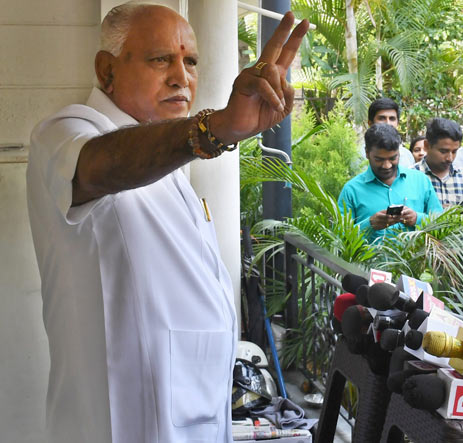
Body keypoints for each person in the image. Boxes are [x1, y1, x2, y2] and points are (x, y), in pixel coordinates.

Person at [25, 4, 308, 442]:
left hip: (191, 414)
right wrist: (214, 129)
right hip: (117, 423)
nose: (182, 77)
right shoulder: (66, 131)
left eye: (190, 61)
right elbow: (99, 167)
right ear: (107, 71)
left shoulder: (172, 155)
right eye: (161, 59)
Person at [338, 124, 442, 243]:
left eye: (393, 158)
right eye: (379, 159)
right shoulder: (352, 190)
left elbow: (441, 224)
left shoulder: (420, 181)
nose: (387, 166)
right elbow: (339, 239)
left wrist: (417, 219)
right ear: (367, 153)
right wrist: (369, 225)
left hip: (416, 261)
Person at [413, 118, 463, 208]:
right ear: (427, 146)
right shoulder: (411, 177)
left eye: (454, 151)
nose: (450, 158)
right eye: (443, 151)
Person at [360, 97, 416, 167]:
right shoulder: (358, 156)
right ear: (370, 123)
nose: (388, 123)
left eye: (392, 119)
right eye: (381, 118)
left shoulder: (407, 156)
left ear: (397, 123)